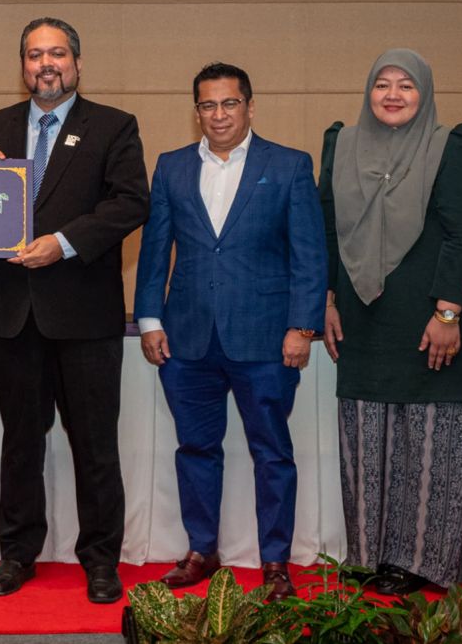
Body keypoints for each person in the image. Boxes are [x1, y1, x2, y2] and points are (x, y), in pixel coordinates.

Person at [320, 48, 462, 594]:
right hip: (361, 317)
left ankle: (420, 562)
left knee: (430, 444)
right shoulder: (342, 144)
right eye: (382, 83)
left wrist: (448, 312)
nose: (392, 94)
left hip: (429, 317)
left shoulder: (449, 145)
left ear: (424, 93)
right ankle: (372, 554)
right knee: (367, 441)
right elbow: (327, 228)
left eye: (406, 85)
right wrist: (327, 299)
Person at [0, 17, 148, 603]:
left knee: (94, 444)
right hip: (14, 314)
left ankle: (100, 560)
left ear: (77, 62)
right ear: (22, 65)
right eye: (34, 55)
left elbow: (130, 203)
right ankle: (17, 554)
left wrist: (64, 242)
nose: (46, 64)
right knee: (20, 442)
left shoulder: (113, 126)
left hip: (84, 315)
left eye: (57, 54)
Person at [135, 62, 326, 601]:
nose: (219, 114)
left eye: (229, 103)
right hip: (186, 339)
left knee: (272, 453)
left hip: (266, 339)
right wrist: (149, 318)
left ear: (249, 106)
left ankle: (275, 561)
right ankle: (202, 550)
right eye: (208, 105)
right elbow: (155, 250)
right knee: (195, 448)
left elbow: (310, 256)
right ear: (196, 111)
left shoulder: (289, 166)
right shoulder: (171, 167)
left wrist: (302, 327)